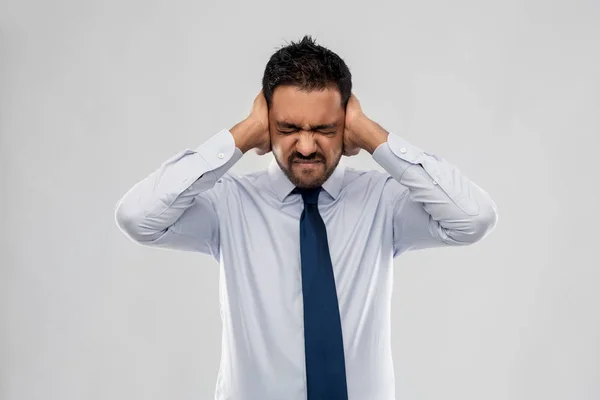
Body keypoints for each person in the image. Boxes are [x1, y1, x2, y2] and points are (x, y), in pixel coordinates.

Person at [115, 35, 498, 400]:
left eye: (325, 129)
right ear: (267, 123)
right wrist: (241, 136)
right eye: (288, 128)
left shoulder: (383, 202)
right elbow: (138, 217)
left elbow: (473, 218)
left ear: (345, 124)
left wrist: (373, 136)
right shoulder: (228, 205)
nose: (306, 146)